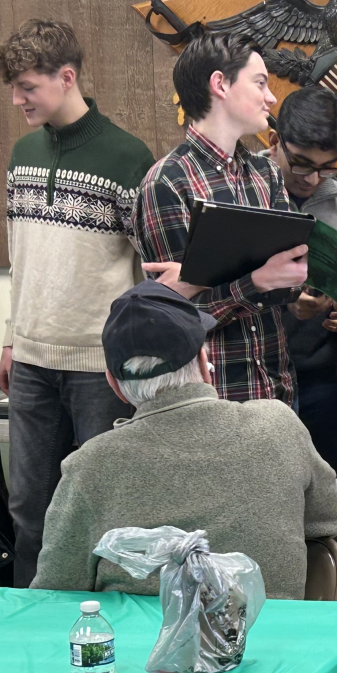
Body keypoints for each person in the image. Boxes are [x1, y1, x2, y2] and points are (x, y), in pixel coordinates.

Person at [31, 281, 337, 598]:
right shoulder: (279, 424)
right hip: (271, 628)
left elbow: (55, 590)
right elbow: (329, 518)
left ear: (114, 384)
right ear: (203, 363)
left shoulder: (89, 464)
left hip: (140, 632)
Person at [0, 19, 155, 586]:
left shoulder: (128, 157)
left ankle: (109, 621)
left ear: (66, 77)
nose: (18, 99)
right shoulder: (22, 154)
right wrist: (10, 339)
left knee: (106, 509)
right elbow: (19, 258)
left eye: (27, 87)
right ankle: (31, 622)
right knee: (29, 509)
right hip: (31, 363)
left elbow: (151, 271)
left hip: (99, 368)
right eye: (14, 88)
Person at [131, 24, 310, 405]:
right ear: (221, 85)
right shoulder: (167, 182)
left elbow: (292, 278)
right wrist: (256, 281)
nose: (271, 97)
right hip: (212, 400)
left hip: (277, 391)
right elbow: (173, 315)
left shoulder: (265, 173)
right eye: (260, 83)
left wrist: (218, 282)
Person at [268, 87, 337, 473]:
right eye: (302, 164)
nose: (312, 179)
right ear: (274, 141)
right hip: (251, 376)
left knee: (324, 498)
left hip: (318, 379)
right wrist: (288, 299)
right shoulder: (241, 194)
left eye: (327, 168)